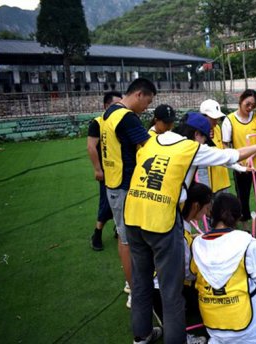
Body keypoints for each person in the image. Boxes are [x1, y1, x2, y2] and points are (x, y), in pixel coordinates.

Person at [123, 112, 256, 344]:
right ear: (197, 135)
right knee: (171, 289)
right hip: (160, 221)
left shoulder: (153, 139)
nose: (204, 144)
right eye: (205, 137)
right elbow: (229, 155)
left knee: (140, 281)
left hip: (132, 215)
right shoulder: (191, 147)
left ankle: (142, 336)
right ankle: (178, 340)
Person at [190, 193, 256, 344]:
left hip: (213, 323)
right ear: (238, 217)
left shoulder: (197, 243)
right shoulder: (249, 243)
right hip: (247, 324)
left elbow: (191, 274)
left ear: (211, 214)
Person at [100, 78, 156, 310]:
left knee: (129, 238)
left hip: (115, 184)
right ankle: (135, 289)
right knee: (127, 240)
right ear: (139, 94)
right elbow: (149, 145)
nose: (147, 107)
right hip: (122, 186)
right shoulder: (126, 117)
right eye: (148, 101)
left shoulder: (109, 112)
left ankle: (133, 283)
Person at [152, 182, 211, 344]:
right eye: (206, 208)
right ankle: (184, 338)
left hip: (155, 281)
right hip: (162, 289)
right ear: (196, 206)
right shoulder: (181, 236)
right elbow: (187, 273)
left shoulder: (174, 221)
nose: (207, 212)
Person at [222, 89, 256, 239]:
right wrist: (239, 161)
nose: (250, 108)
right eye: (247, 104)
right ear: (240, 101)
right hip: (241, 166)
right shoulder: (229, 120)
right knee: (242, 197)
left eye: (253, 105)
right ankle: (245, 227)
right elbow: (225, 145)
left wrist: (252, 155)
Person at [88, 91, 122, 251]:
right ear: (106, 106)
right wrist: (98, 169)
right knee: (106, 203)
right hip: (107, 172)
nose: (118, 109)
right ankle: (97, 233)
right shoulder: (98, 122)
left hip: (121, 171)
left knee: (123, 202)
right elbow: (91, 147)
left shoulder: (121, 121)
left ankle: (119, 229)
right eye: (115, 105)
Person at [197, 99, 231, 194]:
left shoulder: (217, 128)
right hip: (206, 182)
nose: (216, 121)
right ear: (204, 117)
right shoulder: (197, 134)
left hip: (222, 181)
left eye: (217, 118)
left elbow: (222, 149)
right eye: (213, 118)